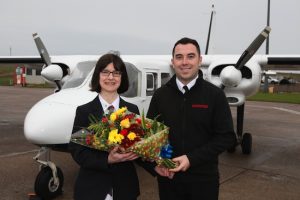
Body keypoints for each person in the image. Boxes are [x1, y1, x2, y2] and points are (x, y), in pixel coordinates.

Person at [147, 37, 236, 200]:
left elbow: (226, 137)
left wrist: (191, 159)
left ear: (199, 60)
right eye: (179, 57)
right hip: (169, 180)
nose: (184, 62)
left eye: (190, 56)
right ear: (172, 62)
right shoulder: (160, 95)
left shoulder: (215, 95)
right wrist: (155, 165)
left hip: (203, 181)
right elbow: (149, 137)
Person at [69, 53, 155, 200]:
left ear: (122, 78)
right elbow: (78, 152)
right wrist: (107, 160)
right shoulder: (84, 111)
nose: (110, 77)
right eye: (105, 72)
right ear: (98, 76)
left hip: (125, 188)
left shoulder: (132, 109)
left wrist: (157, 165)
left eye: (116, 73)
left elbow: (139, 149)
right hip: (92, 188)